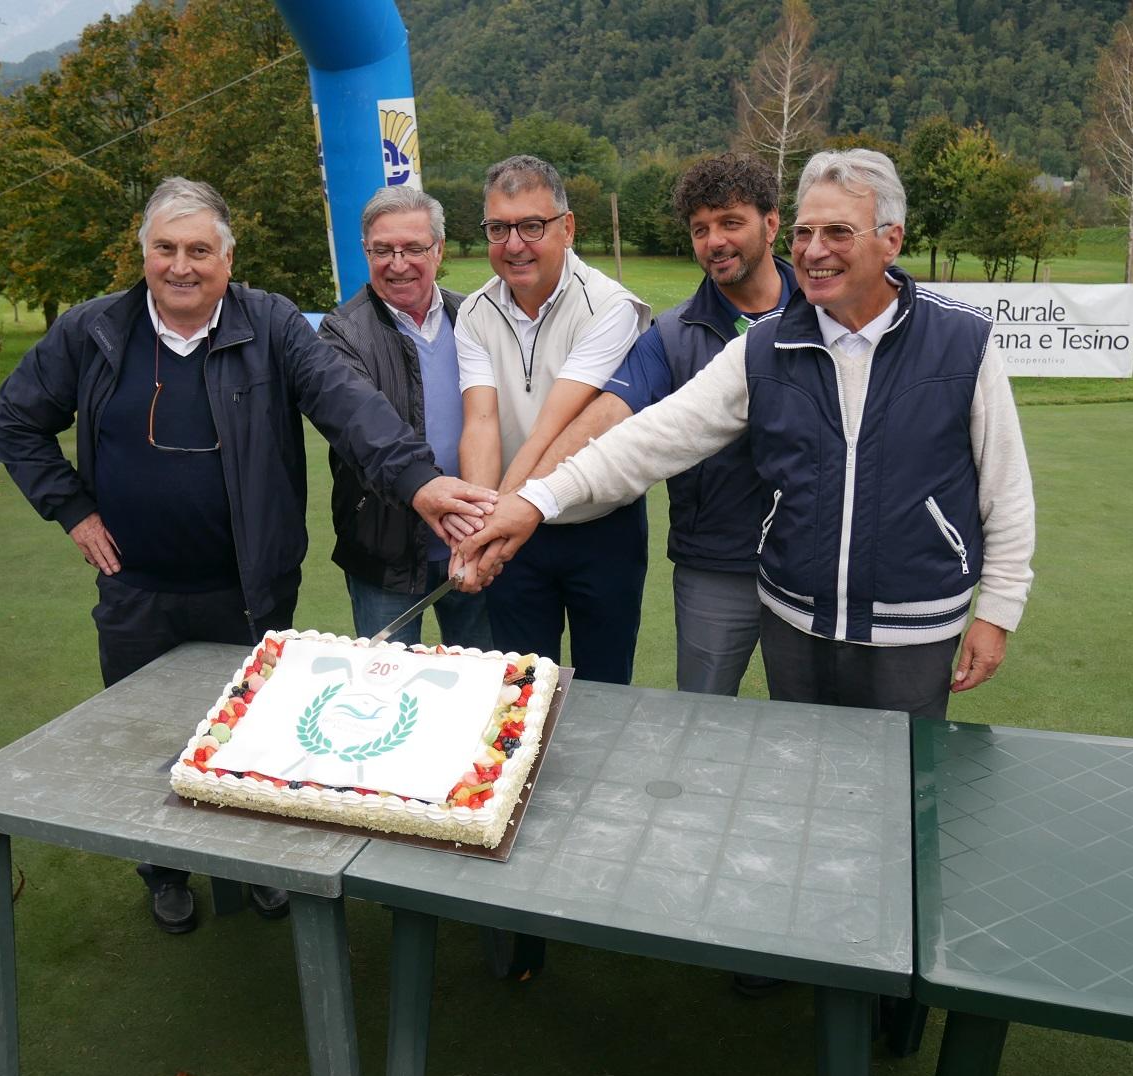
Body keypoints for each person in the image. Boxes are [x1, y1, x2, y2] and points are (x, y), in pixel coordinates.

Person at [0, 177, 495, 935]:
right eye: (165, 249)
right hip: (137, 590)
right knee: (148, 742)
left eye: (199, 250)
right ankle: (163, 868)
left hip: (249, 587)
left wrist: (420, 481)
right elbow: (16, 421)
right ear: (145, 255)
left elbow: (351, 409)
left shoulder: (273, 325)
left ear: (228, 259)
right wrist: (71, 508)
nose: (181, 266)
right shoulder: (93, 331)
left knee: (251, 741)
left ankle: (253, 864)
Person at [458, 148, 1035, 720]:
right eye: (807, 232)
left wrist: (999, 610)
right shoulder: (758, 345)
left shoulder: (963, 341)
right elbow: (648, 437)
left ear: (891, 239)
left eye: (837, 232)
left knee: (909, 783)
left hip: (915, 625)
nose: (814, 250)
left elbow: (1004, 489)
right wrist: (533, 500)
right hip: (794, 616)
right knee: (792, 768)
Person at [527, 153, 798, 697]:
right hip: (714, 565)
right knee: (699, 719)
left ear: (771, 224)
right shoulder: (671, 334)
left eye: (730, 222)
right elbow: (608, 418)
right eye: (700, 229)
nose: (714, 241)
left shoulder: (824, 315)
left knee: (813, 723)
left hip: (808, 564)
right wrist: (526, 495)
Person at [453, 154, 650, 685]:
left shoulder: (611, 306)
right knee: (518, 691)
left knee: (603, 688)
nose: (514, 244)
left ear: (567, 228)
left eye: (531, 226)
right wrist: (480, 524)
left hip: (601, 527)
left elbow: (554, 429)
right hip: (517, 532)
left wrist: (492, 526)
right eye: (499, 228)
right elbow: (482, 421)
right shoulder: (473, 312)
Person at [319, 186, 491, 649]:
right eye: (382, 250)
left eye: (413, 248)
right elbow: (361, 432)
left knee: (484, 687)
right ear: (365, 252)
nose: (397, 263)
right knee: (385, 693)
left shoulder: (474, 317)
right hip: (385, 553)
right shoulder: (341, 333)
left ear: (439, 250)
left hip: (476, 541)